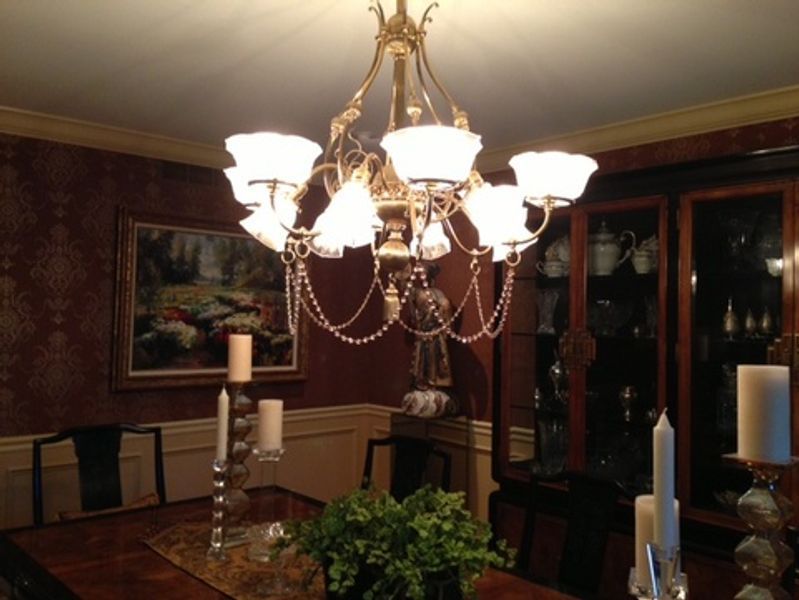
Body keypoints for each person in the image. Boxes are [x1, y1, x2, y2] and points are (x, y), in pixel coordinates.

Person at [410, 263, 454, 390]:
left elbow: (445, 304)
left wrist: (444, 307)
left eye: (425, 274)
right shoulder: (416, 292)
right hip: (422, 332)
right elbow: (413, 310)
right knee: (421, 360)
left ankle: (433, 384)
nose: (422, 277)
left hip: (434, 332)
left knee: (434, 359)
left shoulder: (437, 293)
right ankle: (421, 383)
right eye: (420, 273)